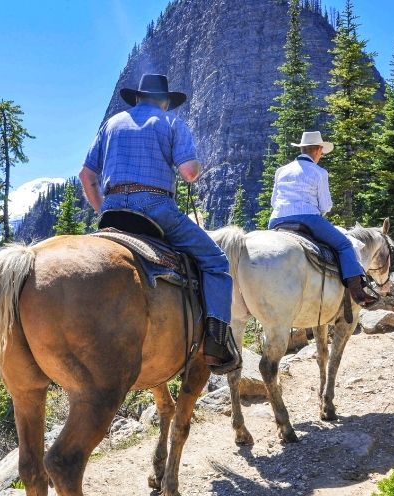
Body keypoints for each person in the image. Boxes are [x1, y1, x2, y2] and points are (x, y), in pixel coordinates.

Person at [78, 73, 241, 375]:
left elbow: (87, 177)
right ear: (164, 101)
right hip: (155, 209)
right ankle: (217, 342)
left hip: (112, 212)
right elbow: (190, 172)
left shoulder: (111, 124)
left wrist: (104, 211)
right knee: (216, 262)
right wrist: (193, 165)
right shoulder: (171, 123)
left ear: (138, 97)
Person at [268, 131, 376, 306]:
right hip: (307, 218)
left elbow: (274, 201)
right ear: (318, 150)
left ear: (302, 149)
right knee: (344, 245)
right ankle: (357, 292)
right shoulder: (319, 172)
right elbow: (325, 206)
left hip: (277, 219)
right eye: (322, 153)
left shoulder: (281, 171)